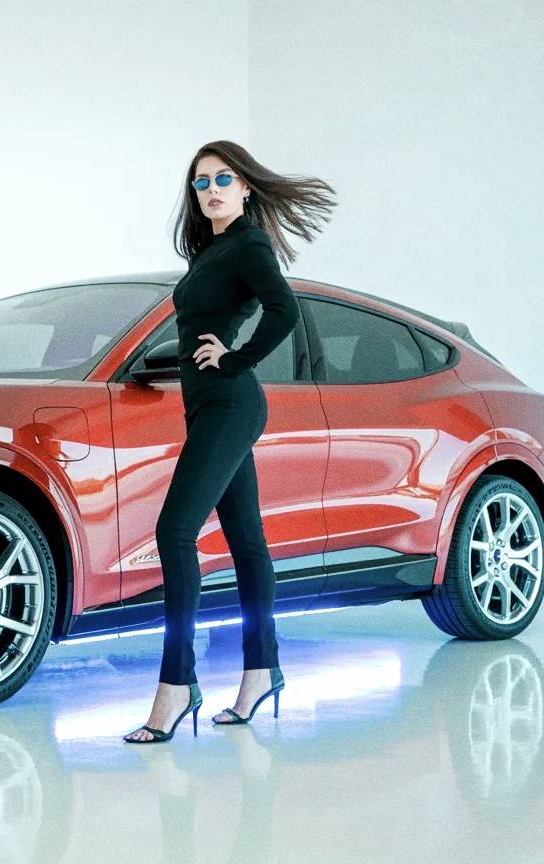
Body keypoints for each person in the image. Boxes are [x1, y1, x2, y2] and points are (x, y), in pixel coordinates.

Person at [123, 140, 337, 743]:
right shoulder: (211, 251)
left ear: (245, 187)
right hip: (208, 405)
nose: (211, 190)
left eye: (222, 179)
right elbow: (201, 326)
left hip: (231, 402)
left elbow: (283, 309)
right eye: (200, 183)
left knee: (174, 531)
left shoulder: (249, 243)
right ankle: (262, 671)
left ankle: (176, 685)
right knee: (246, 543)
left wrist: (236, 358)